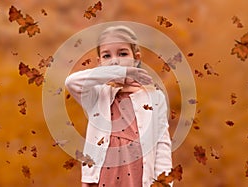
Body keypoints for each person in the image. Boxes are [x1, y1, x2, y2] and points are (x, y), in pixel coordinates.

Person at [65, 25, 173, 187]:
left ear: (136, 58)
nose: (115, 60)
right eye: (107, 56)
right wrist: (121, 72)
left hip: (139, 175)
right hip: (103, 175)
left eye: (122, 53)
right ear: (99, 63)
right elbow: (71, 82)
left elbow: (162, 144)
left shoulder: (155, 97)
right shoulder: (97, 94)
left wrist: (164, 182)